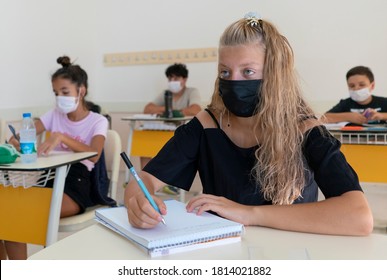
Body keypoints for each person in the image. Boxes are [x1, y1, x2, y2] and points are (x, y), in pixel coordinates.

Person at [124, 13, 374, 236]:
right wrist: (138, 201)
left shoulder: (305, 130)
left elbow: (359, 217)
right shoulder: (206, 125)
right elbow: (144, 178)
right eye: (225, 73)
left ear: (274, 74)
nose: (233, 81)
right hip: (225, 253)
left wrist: (248, 214)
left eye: (248, 72)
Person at [2, 56, 109, 259]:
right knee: (5, 217)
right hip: (48, 177)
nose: (60, 97)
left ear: (82, 91)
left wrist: (61, 137)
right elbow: (29, 131)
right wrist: (17, 139)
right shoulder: (54, 114)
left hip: (77, 181)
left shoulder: (98, 121)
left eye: (65, 92)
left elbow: (94, 154)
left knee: (15, 216)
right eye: (56, 92)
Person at [142, 63, 202, 194]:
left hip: (183, 132)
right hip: (165, 129)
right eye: (170, 79)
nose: (172, 81)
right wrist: (168, 109)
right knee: (143, 140)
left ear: (184, 79)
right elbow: (148, 109)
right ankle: (145, 182)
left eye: (176, 78)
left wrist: (172, 111)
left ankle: (173, 184)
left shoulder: (192, 92)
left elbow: (196, 109)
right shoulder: (166, 93)